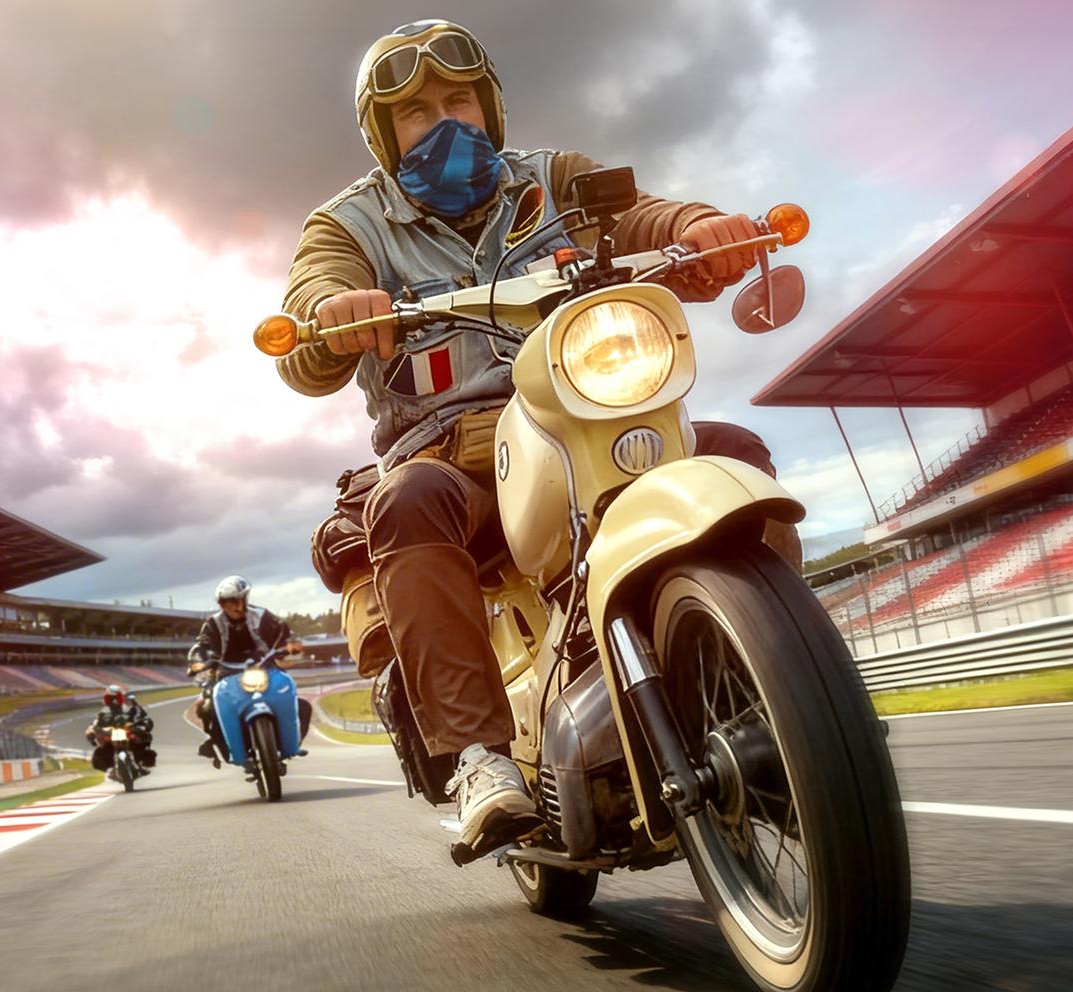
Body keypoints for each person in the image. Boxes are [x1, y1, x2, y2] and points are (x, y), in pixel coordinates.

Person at [283, 20, 803, 860]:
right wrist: (331, 317)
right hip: (455, 456)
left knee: (734, 452)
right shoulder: (349, 227)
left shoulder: (556, 179)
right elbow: (314, 296)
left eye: (459, 98)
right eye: (416, 112)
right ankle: (481, 757)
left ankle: (768, 694)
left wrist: (702, 227)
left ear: (489, 105)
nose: (445, 121)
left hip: (597, 417)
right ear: (385, 134)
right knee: (405, 503)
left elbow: (641, 214)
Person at [189, 576, 312, 765]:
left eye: (240, 599)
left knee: (301, 704)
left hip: (265, 668)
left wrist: (291, 643)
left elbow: (283, 630)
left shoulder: (262, 616)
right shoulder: (213, 624)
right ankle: (225, 749)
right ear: (222, 603)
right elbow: (202, 646)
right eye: (231, 602)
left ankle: (291, 744)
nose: (238, 606)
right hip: (227, 675)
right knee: (206, 709)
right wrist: (199, 661)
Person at [86, 685, 157, 772]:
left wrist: (144, 723)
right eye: (110, 698)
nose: (114, 701)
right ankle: (109, 767)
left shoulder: (130, 707)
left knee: (143, 739)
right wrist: (92, 732)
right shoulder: (103, 712)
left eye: (116, 698)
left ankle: (143, 761)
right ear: (106, 699)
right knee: (100, 749)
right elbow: (95, 725)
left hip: (128, 731)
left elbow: (142, 717)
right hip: (112, 734)